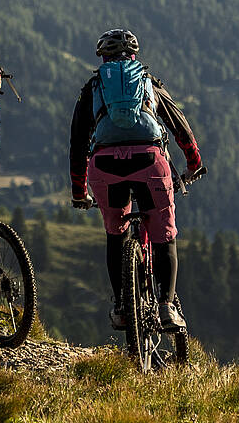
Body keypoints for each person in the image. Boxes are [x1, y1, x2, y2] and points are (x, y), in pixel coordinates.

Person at [69, 27, 203, 331]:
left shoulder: (92, 87)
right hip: (149, 162)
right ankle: (167, 306)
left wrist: (79, 191)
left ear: (102, 58)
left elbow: (77, 144)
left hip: (104, 167)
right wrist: (194, 162)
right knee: (164, 234)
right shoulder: (148, 83)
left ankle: (120, 306)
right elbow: (178, 124)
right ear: (134, 56)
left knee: (115, 233)